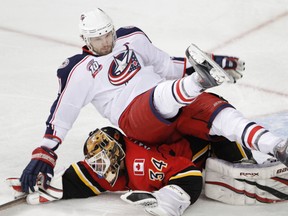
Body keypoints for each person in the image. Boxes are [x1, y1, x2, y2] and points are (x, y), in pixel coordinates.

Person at [19, 8, 288, 195]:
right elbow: (63, 113)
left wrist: (215, 61)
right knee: (163, 96)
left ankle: (276, 146)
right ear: (85, 39)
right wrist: (46, 152)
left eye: (108, 34)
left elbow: (167, 65)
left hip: (174, 97)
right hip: (135, 116)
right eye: (98, 38)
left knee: (218, 112)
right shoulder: (78, 70)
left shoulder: (132, 37)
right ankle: (199, 81)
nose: (105, 42)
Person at [8, 126, 256, 216]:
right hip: (173, 144)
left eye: (102, 161)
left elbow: (188, 173)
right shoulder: (111, 163)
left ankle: (248, 163)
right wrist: (53, 187)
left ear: (116, 154)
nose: (99, 169)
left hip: (205, 145)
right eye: (96, 162)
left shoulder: (142, 164)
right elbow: (85, 176)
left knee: (221, 141)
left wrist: (168, 200)